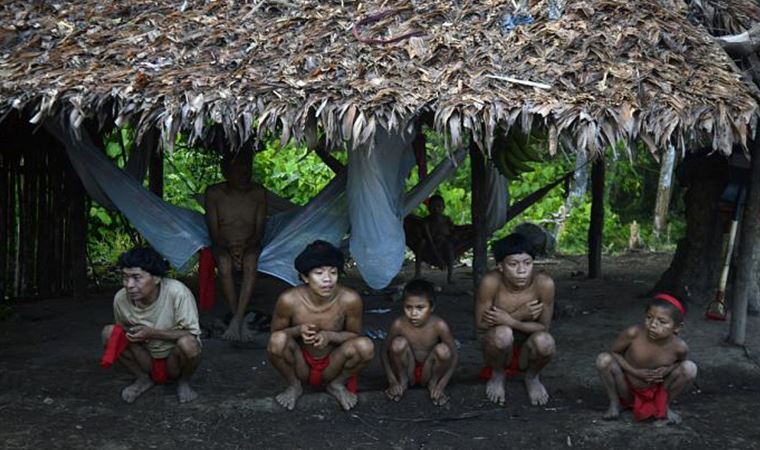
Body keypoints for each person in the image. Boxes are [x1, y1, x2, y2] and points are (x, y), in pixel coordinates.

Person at [267, 241, 374, 411]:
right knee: (278, 341)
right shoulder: (289, 300)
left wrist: (331, 336)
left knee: (365, 346)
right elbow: (275, 336)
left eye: (333, 272)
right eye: (319, 273)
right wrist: (298, 330)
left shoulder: (350, 299)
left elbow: (355, 335)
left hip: (333, 363)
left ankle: (337, 385)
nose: (327, 279)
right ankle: (294, 385)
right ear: (305, 277)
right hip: (301, 363)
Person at [100, 247, 202, 403]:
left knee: (189, 344)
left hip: (173, 360)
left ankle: (183, 381)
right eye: (125, 277)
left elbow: (192, 334)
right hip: (145, 357)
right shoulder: (121, 298)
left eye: (136, 277)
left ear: (156, 278)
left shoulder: (178, 293)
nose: (129, 285)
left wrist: (152, 333)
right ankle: (142, 378)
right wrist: (133, 334)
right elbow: (121, 333)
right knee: (110, 333)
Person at [475, 233, 556, 406]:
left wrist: (512, 321)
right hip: (497, 348)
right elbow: (481, 324)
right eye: (513, 264)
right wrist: (520, 315)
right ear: (500, 267)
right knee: (502, 334)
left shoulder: (544, 284)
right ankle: (497, 374)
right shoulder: (491, 282)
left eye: (527, 263)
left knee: (546, 342)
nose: (522, 271)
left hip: (528, 348)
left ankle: (532, 377)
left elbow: (543, 328)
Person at [595, 292, 697, 424]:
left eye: (662, 322)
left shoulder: (679, 347)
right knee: (603, 359)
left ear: (677, 327)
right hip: (627, 389)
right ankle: (615, 403)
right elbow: (614, 353)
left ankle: (664, 406)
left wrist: (666, 370)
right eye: (649, 317)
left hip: (656, 392)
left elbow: (680, 364)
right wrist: (634, 372)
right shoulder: (634, 333)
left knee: (690, 368)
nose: (653, 325)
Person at [204, 149, 267, 341]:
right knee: (224, 263)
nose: (244, 176)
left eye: (247, 171)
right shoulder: (214, 194)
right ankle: (236, 316)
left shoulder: (258, 193)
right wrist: (230, 248)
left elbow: (260, 230)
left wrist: (246, 247)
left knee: (250, 261)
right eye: (238, 172)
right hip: (222, 244)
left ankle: (237, 319)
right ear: (226, 173)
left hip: (250, 244)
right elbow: (214, 231)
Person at [382, 279, 458, 406]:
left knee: (444, 350)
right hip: (407, 369)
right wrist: (392, 381)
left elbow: (454, 356)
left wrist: (441, 385)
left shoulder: (439, 325)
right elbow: (384, 352)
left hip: (429, 371)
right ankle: (403, 381)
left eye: (420, 308)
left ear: (432, 307)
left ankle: (433, 384)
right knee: (397, 343)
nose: (413, 314)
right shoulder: (398, 325)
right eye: (408, 307)